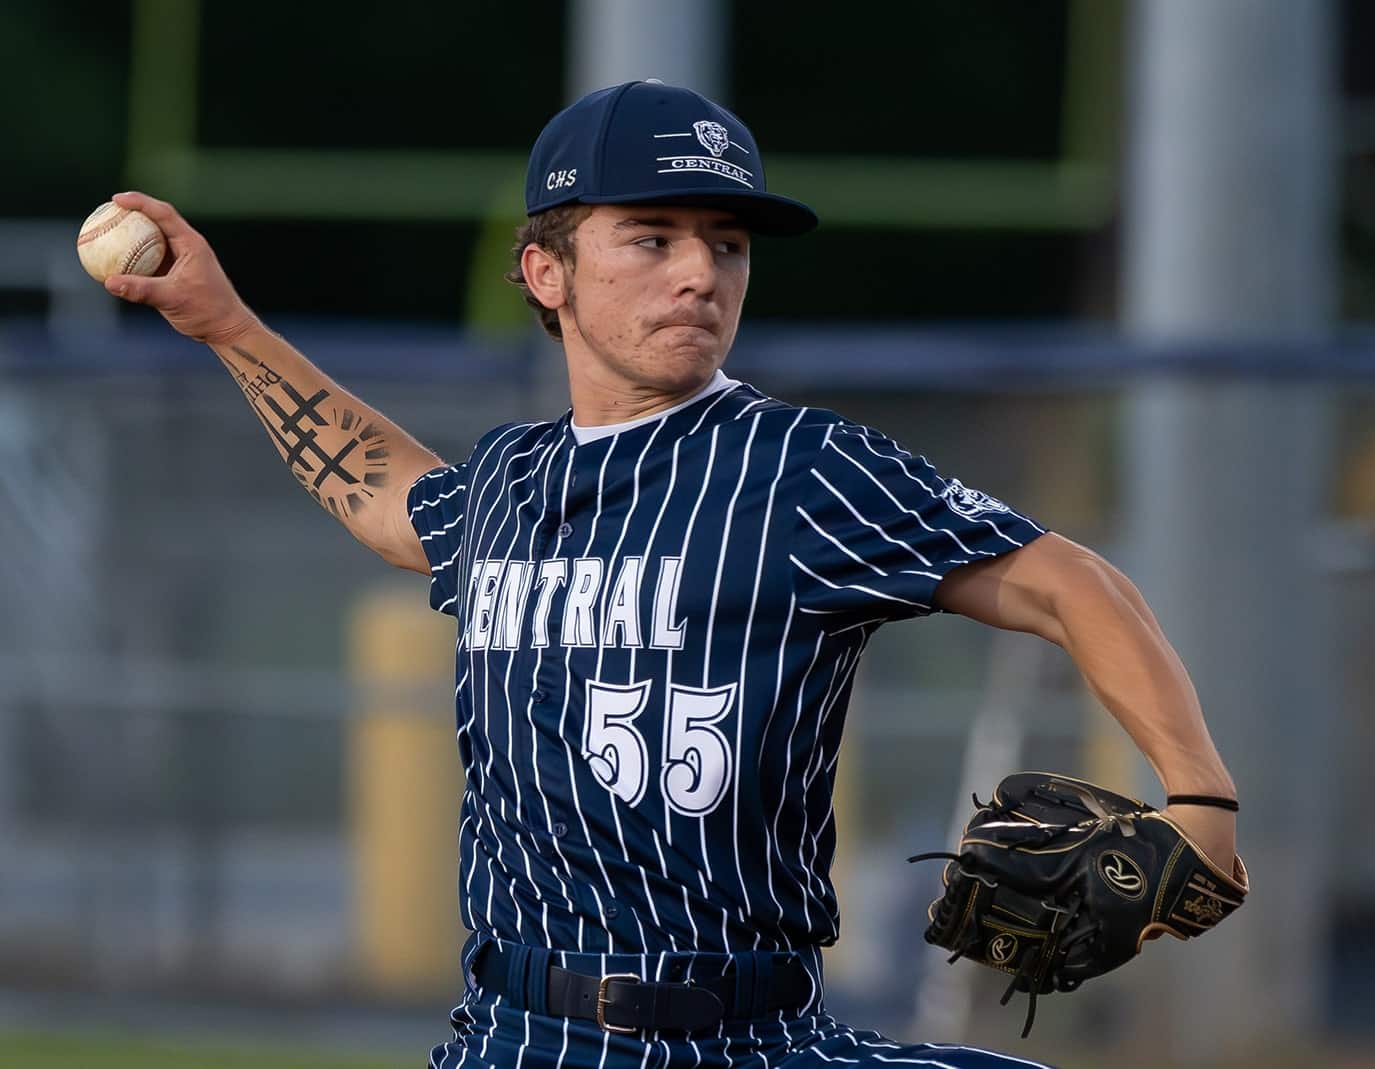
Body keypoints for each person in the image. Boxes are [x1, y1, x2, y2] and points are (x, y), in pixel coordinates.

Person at [106, 80, 1240, 1069]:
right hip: (521, 1038)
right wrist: (222, 324)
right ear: (545, 271)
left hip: (757, 1037)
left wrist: (1200, 798)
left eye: (727, 243)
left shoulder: (804, 470)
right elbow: (382, 495)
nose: (700, 271)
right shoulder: (507, 482)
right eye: (652, 236)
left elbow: (1069, 584)